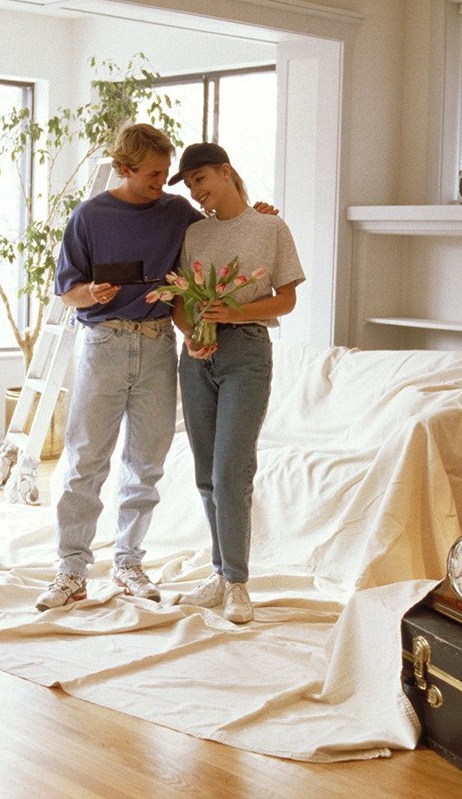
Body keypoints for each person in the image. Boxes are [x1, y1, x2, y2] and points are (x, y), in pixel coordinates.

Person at [37, 125, 276, 611]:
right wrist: (91, 293)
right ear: (123, 169)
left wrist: (261, 217)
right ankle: (72, 570)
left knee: (145, 465)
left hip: (158, 345)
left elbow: (225, 228)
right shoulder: (88, 216)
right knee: (85, 461)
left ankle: (129, 563)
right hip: (103, 345)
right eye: (152, 174)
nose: (162, 182)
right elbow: (68, 291)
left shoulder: (177, 212)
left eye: (167, 172)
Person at [168, 142, 305, 624]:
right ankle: (220, 574)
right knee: (205, 473)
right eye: (190, 185)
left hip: (246, 353)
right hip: (197, 358)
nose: (196, 191)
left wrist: (235, 313)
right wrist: (190, 336)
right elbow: (180, 302)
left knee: (231, 471)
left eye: (201, 179)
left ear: (226, 172)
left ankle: (239, 583)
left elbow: (286, 300)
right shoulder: (194, 233)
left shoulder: (270, 227)